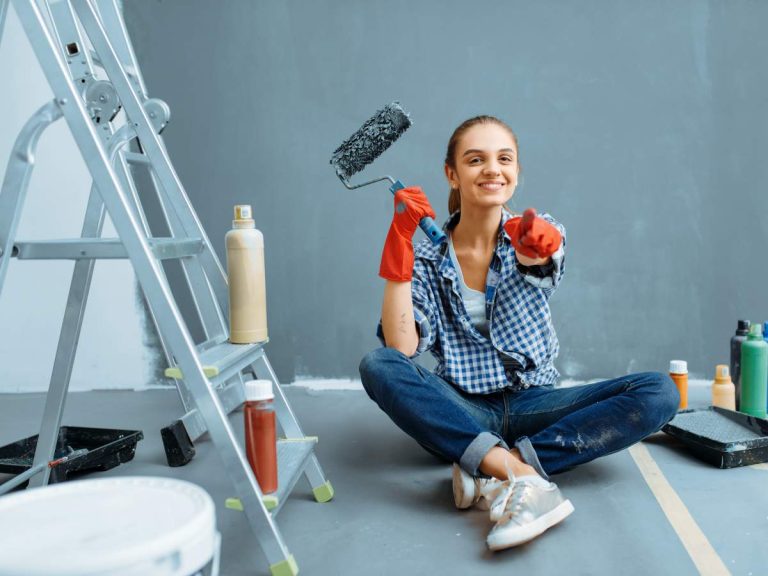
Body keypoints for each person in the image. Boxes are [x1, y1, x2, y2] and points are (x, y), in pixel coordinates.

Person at [358, 115, 680, 551]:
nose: (492, 169)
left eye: (504, 159)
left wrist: (537, 245)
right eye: (476, 160)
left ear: (516, 171)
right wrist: (399, 244)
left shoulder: (532, 232)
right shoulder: (428, 258)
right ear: (452, 174)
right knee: (378, 364)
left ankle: (489, 469)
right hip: (463, 410)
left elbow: (540, 257)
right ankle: (524, 476)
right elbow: (402, 347)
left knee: (659, 392)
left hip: (536, 403)